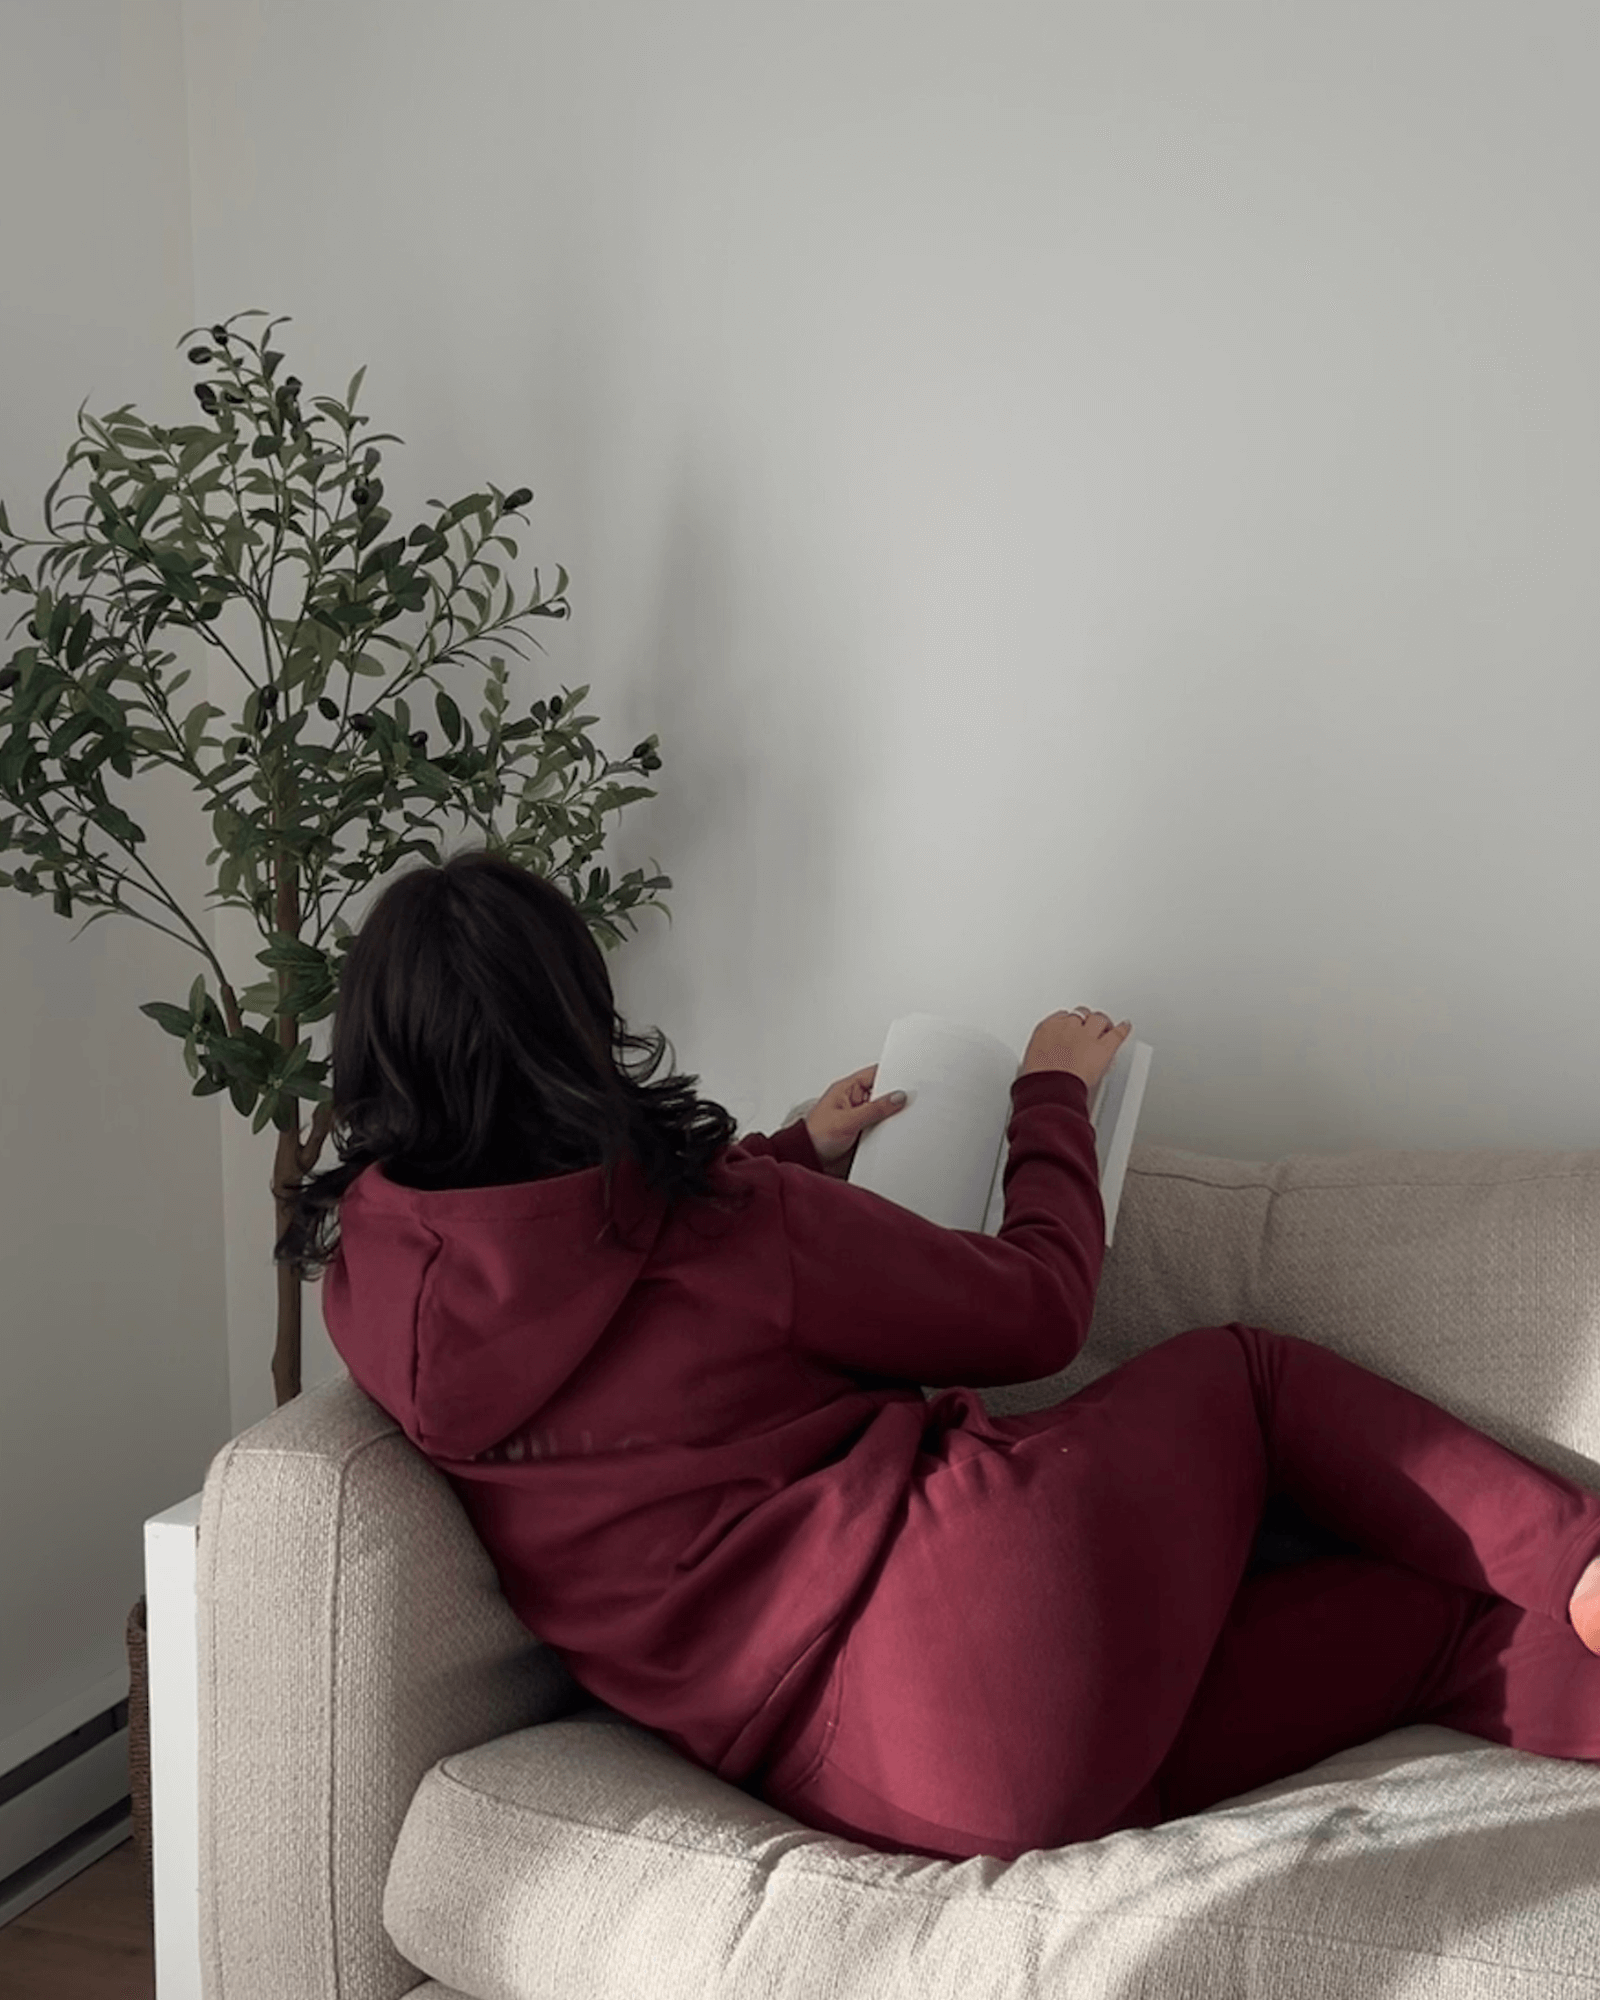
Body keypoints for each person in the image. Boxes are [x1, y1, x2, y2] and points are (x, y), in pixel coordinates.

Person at [279, 847, 1600, 1863]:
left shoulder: (371, 1295)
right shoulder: (730, 1231)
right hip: (996, 1608)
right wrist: (1049, 1096)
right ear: (578, 1017)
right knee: (1247, 1380)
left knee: (1433, 1636)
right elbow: (1035, 1311)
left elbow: (570, 1271)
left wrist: (791, 1152)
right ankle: (1587, 1558)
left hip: (917, 1794)